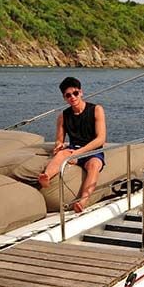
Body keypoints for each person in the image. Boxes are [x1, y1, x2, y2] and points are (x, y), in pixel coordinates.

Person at [37, 77, 107, 212]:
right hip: (73, 149)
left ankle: (83, 201)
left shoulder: (96, 110)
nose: (72, 97)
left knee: (94, 165)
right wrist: (59, 145)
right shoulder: (63, 116)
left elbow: (101, 139)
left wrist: (79, 153)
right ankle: (46, 176)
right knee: (61, 153)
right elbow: (59, 139)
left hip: (92, 150)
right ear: (64, 98)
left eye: (75, 93)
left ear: (81, 92)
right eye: (68, 95)